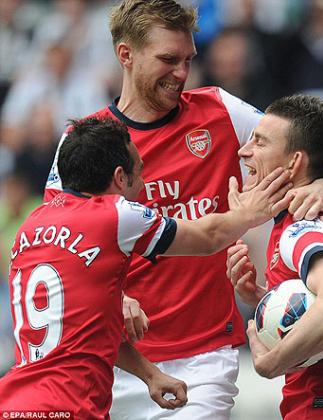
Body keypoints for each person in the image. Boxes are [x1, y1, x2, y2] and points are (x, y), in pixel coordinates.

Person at [44, 1, 323, 418]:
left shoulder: (220, 110)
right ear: (126, 55)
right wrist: (115, 297)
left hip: (203, 359)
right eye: (168, 60)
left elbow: (312, 164)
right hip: (116, 358)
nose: (182, 73)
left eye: (188, 59)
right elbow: (56, 251)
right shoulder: (85, 141)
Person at [0, 116, 294, 418]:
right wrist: (250, 212)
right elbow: (209, 236)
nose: (143, 184)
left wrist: (150, 374)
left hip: (14, 401)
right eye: (139, 173)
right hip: (68, 406)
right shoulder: (115, 214)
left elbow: (83, 333)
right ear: (119, 177)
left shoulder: (31, 225)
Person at [227, 94, 323, 419]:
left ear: (294, 163)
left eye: (260, 142)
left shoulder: (302, 229)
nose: (244, 151)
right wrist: (267, 298)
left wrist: (272, 363)